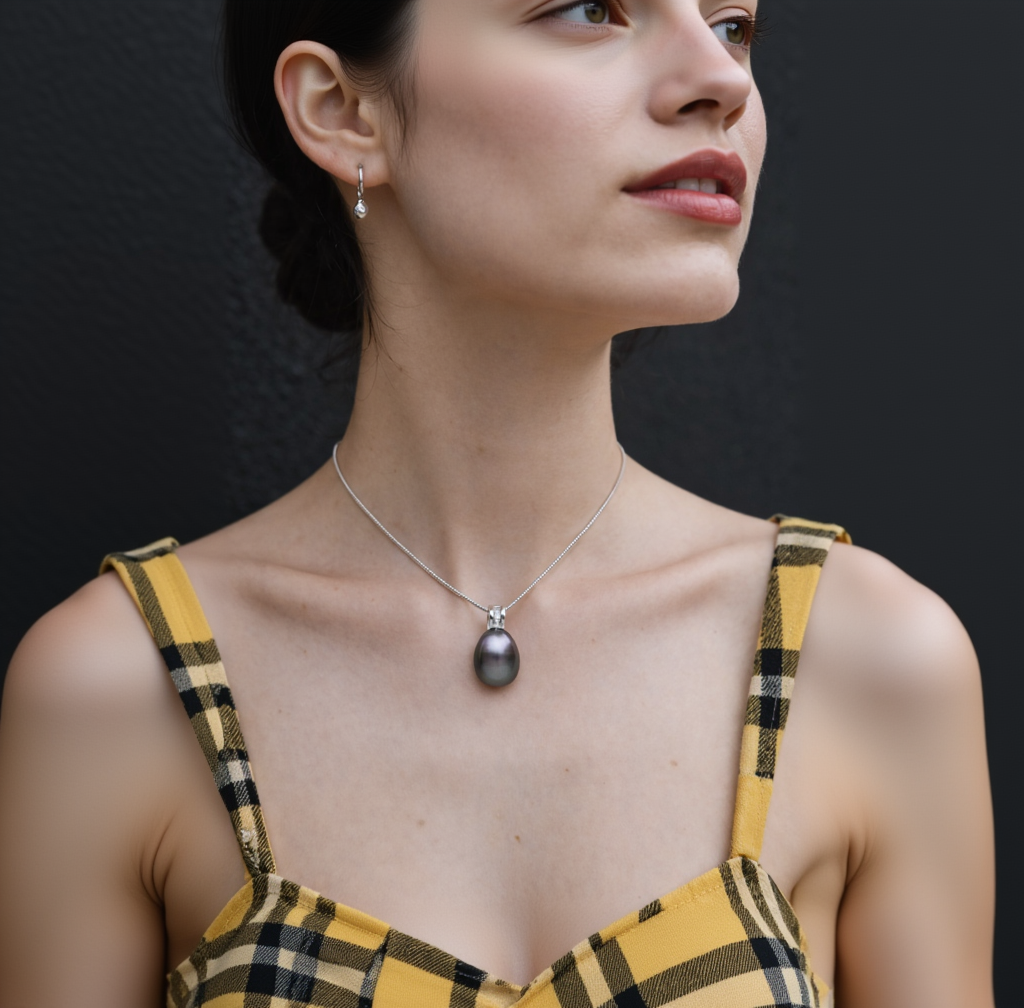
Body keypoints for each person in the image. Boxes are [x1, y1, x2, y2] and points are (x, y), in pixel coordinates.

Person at [0, 2, 994, 1005]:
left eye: (733, 25)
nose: (722, 81)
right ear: (344, 111)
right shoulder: (114, 693)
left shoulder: (870, 662)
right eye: (588, 9)